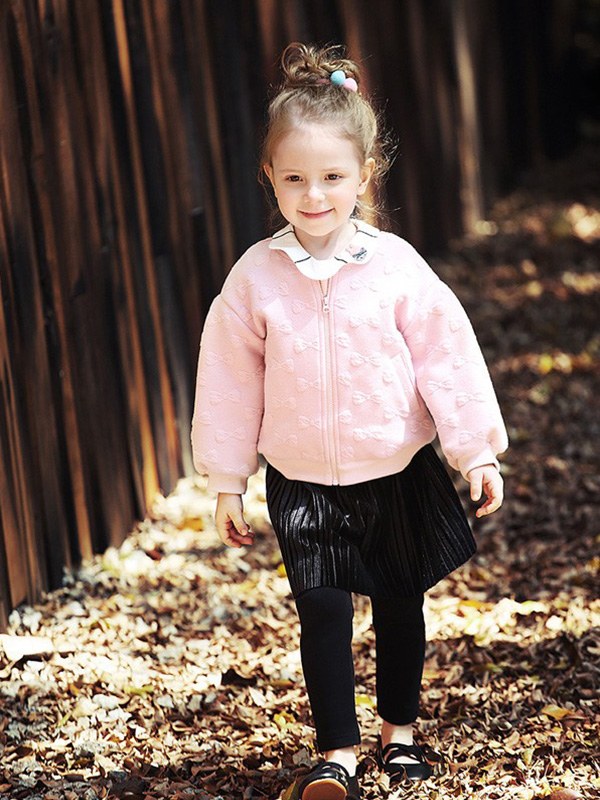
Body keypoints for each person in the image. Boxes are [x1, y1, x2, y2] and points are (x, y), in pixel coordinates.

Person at [191, 42, 508, 800]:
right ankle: (335, 752)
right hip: (301, 480)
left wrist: (476, 451)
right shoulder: (254, 278)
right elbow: (229, 380)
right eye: (294, 178)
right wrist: (229, 480)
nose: (314, 195)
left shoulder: (395, 266)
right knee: (324, 614)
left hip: (395, 471)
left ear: (364, 175)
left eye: (332, 177)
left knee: (399, 606)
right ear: (270, 175)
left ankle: (400, 736)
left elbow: (446, 356)